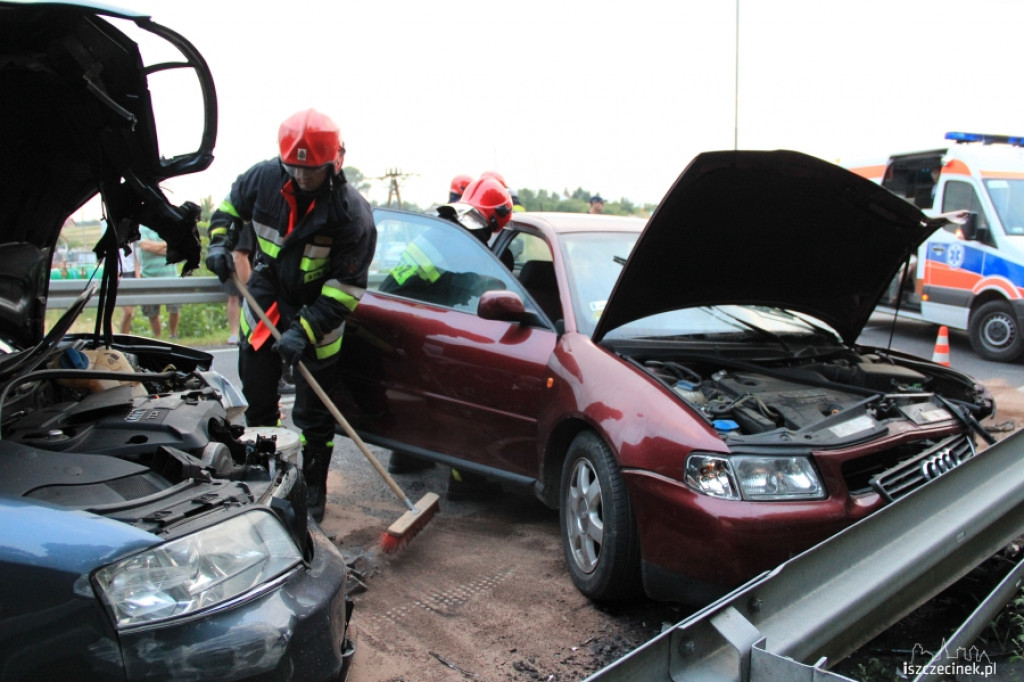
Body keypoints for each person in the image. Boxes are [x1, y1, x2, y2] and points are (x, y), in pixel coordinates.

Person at [205, 108, 376, 522]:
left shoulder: (352, 214)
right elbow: (228, 210)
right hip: (265, 300)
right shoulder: (262, 179)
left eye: (311, 171)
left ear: (333, 164)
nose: (301, 178)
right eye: (294, 168)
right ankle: (270, 481)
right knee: (259, 401)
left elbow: (347, 288)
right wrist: (218, 244)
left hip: (318, 310)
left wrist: (305, 330)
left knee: (315, 416)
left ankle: (314, 487)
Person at [383, 176, 513, 500]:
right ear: (491, 217)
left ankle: (407, 454)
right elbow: (462, 289)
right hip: (415, 319)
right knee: (462, 394)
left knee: (419, 393)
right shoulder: (466, 239)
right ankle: (466, 480)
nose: (490, 233)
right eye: (493, 226)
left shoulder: (445, 227)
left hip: (399, 313)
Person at [138, 226, 180, 338]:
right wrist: (167, 244)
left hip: (171, 277)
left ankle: (173, 334)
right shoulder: (143, 228)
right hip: (149, 276)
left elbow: (177, 249)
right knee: (152, 312)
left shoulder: (170, 226)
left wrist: (154, 247)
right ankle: (158, 337)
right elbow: (145, 246)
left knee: (174, 308)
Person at [119, 243, 140, 333]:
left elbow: (136, 259)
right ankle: (122, 335)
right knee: (128, 311)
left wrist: (138, 278)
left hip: (131, 274)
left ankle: (126, 336)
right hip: (120, 275)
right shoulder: (115, 239)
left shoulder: (132, 240)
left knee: (130, 313)